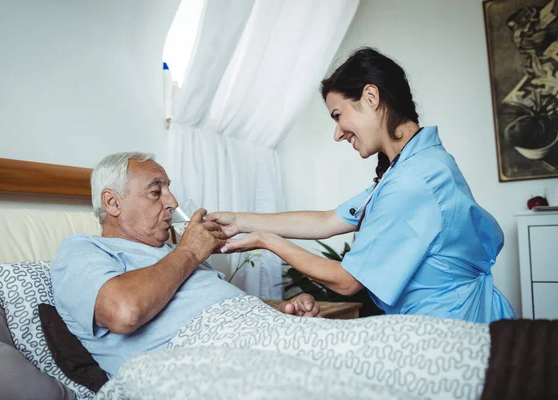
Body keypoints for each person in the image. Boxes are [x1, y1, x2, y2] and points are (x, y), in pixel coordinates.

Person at [207, 47, 516, 324]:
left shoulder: (413, 181)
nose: (338, 133)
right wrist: (239, 221)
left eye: (338, 116)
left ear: (371, 97)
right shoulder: (415, 165)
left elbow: (347, 281)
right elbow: (327, 220)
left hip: (452, 327)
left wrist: (265, 239)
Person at [50, 152, 321, 377]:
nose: (173, 201)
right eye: (156, 192)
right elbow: (123, 311)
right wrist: (189, 250)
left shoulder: (173, 254)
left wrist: (277, 314)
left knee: (357, 346)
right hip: (203, 367)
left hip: (263, 343)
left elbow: (215, 306)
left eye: (169, 189)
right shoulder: (81, 250)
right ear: (112, 202)